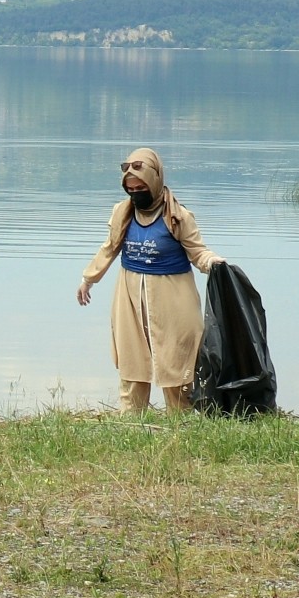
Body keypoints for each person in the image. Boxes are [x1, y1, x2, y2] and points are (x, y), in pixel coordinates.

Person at [76, 146, 222, 410]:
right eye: (130, 189)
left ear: (154, 181)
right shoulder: (123, 213)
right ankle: (131, 421)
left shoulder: (178, 216)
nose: (135, 194)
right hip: (130, 297)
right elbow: (109, 247)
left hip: (173, 299)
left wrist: (213, 263)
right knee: (133, 363)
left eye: (140, 188)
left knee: (177, 363)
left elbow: (197, 251)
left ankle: (182, 421)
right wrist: (89, 279)